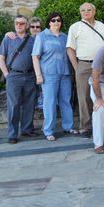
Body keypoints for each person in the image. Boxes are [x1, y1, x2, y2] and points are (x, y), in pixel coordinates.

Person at [32, 12, 77, 141]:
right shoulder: (42, 36)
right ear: (49, 22)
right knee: (49, 102)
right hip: (49, 75)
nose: (56, 22)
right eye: (53, 20)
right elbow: (35, 56)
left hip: (65, 74)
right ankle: (48, 130)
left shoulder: (65, 37)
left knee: (65, 101)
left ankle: (68, 126)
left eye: (58, 20)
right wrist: (38, 75)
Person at [66, 3, 104, 138]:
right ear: (80, 13)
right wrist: (76, 67)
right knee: (83, 96)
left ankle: (100, 124)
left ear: (94, 11)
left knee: (100, 95)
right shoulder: (75, 27)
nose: (86, 12)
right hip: (83, 64)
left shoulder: (101, 26)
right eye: (83, 10)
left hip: (100, 66)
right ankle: (85, 127)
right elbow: (70, 49)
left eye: (89, 10)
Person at [0, 15, 37, 144]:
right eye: (16, 23)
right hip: (14, 76)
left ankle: (26, 130)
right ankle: (12, 134)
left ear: (26, 25)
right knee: (13, 106)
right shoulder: (8, 39)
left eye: (22, 23)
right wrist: (7, 74)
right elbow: (1, 58)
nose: (19, 25)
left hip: (30, 75)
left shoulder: (32, 40)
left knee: (29, 104)